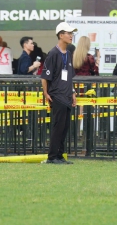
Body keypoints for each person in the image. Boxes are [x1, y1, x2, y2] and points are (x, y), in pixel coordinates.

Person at [42, 22, 77, 164]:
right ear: (61, 35)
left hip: (67, 95)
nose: (71, 36)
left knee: (64, 127)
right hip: (57, 95)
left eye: (72, 33)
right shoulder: (53, 53)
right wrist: (46, 93)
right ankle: (52, 156)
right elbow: (45, 76)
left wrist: (73, 92)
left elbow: (69, 77)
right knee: (58, 127)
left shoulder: (68, 54)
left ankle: (60, 155)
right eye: (69, 33)